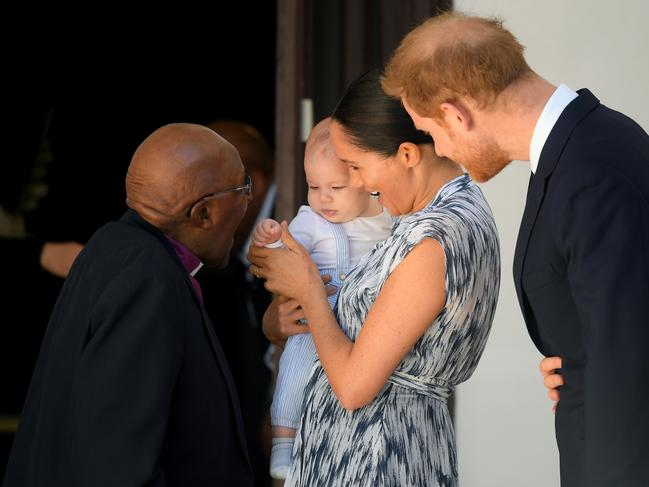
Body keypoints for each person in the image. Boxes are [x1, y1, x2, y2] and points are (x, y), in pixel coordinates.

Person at [381, 12, 649, 486]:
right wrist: (574, 354)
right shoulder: (577, 148)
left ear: (456, 114)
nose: (439, 150)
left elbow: (627, 367)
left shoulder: (590, 173)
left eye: (432, 132)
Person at [248, 69, 500, 486]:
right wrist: (283, 320)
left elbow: (352, 386)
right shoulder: (434, 215)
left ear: (407, 155)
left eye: (357, 167)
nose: (358, 183)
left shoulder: (434, 238)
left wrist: (309, 289)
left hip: (378, 454)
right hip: (366, 448)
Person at [2, 123, 254, 486]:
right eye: (243, 188)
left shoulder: (112, 246)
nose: (249, 201)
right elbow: (118, 468)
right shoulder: (148, 281)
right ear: (203, 214)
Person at [251, 117, 393, 479]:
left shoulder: (391, 220)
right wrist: (268, 243)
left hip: (367, 328)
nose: (323, 198)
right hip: (315, 323)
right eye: (314, 186)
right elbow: (281, 255)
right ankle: (285, 437)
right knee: (294, 369)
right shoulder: (311, 222)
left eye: (336, 186)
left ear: (365, 180)